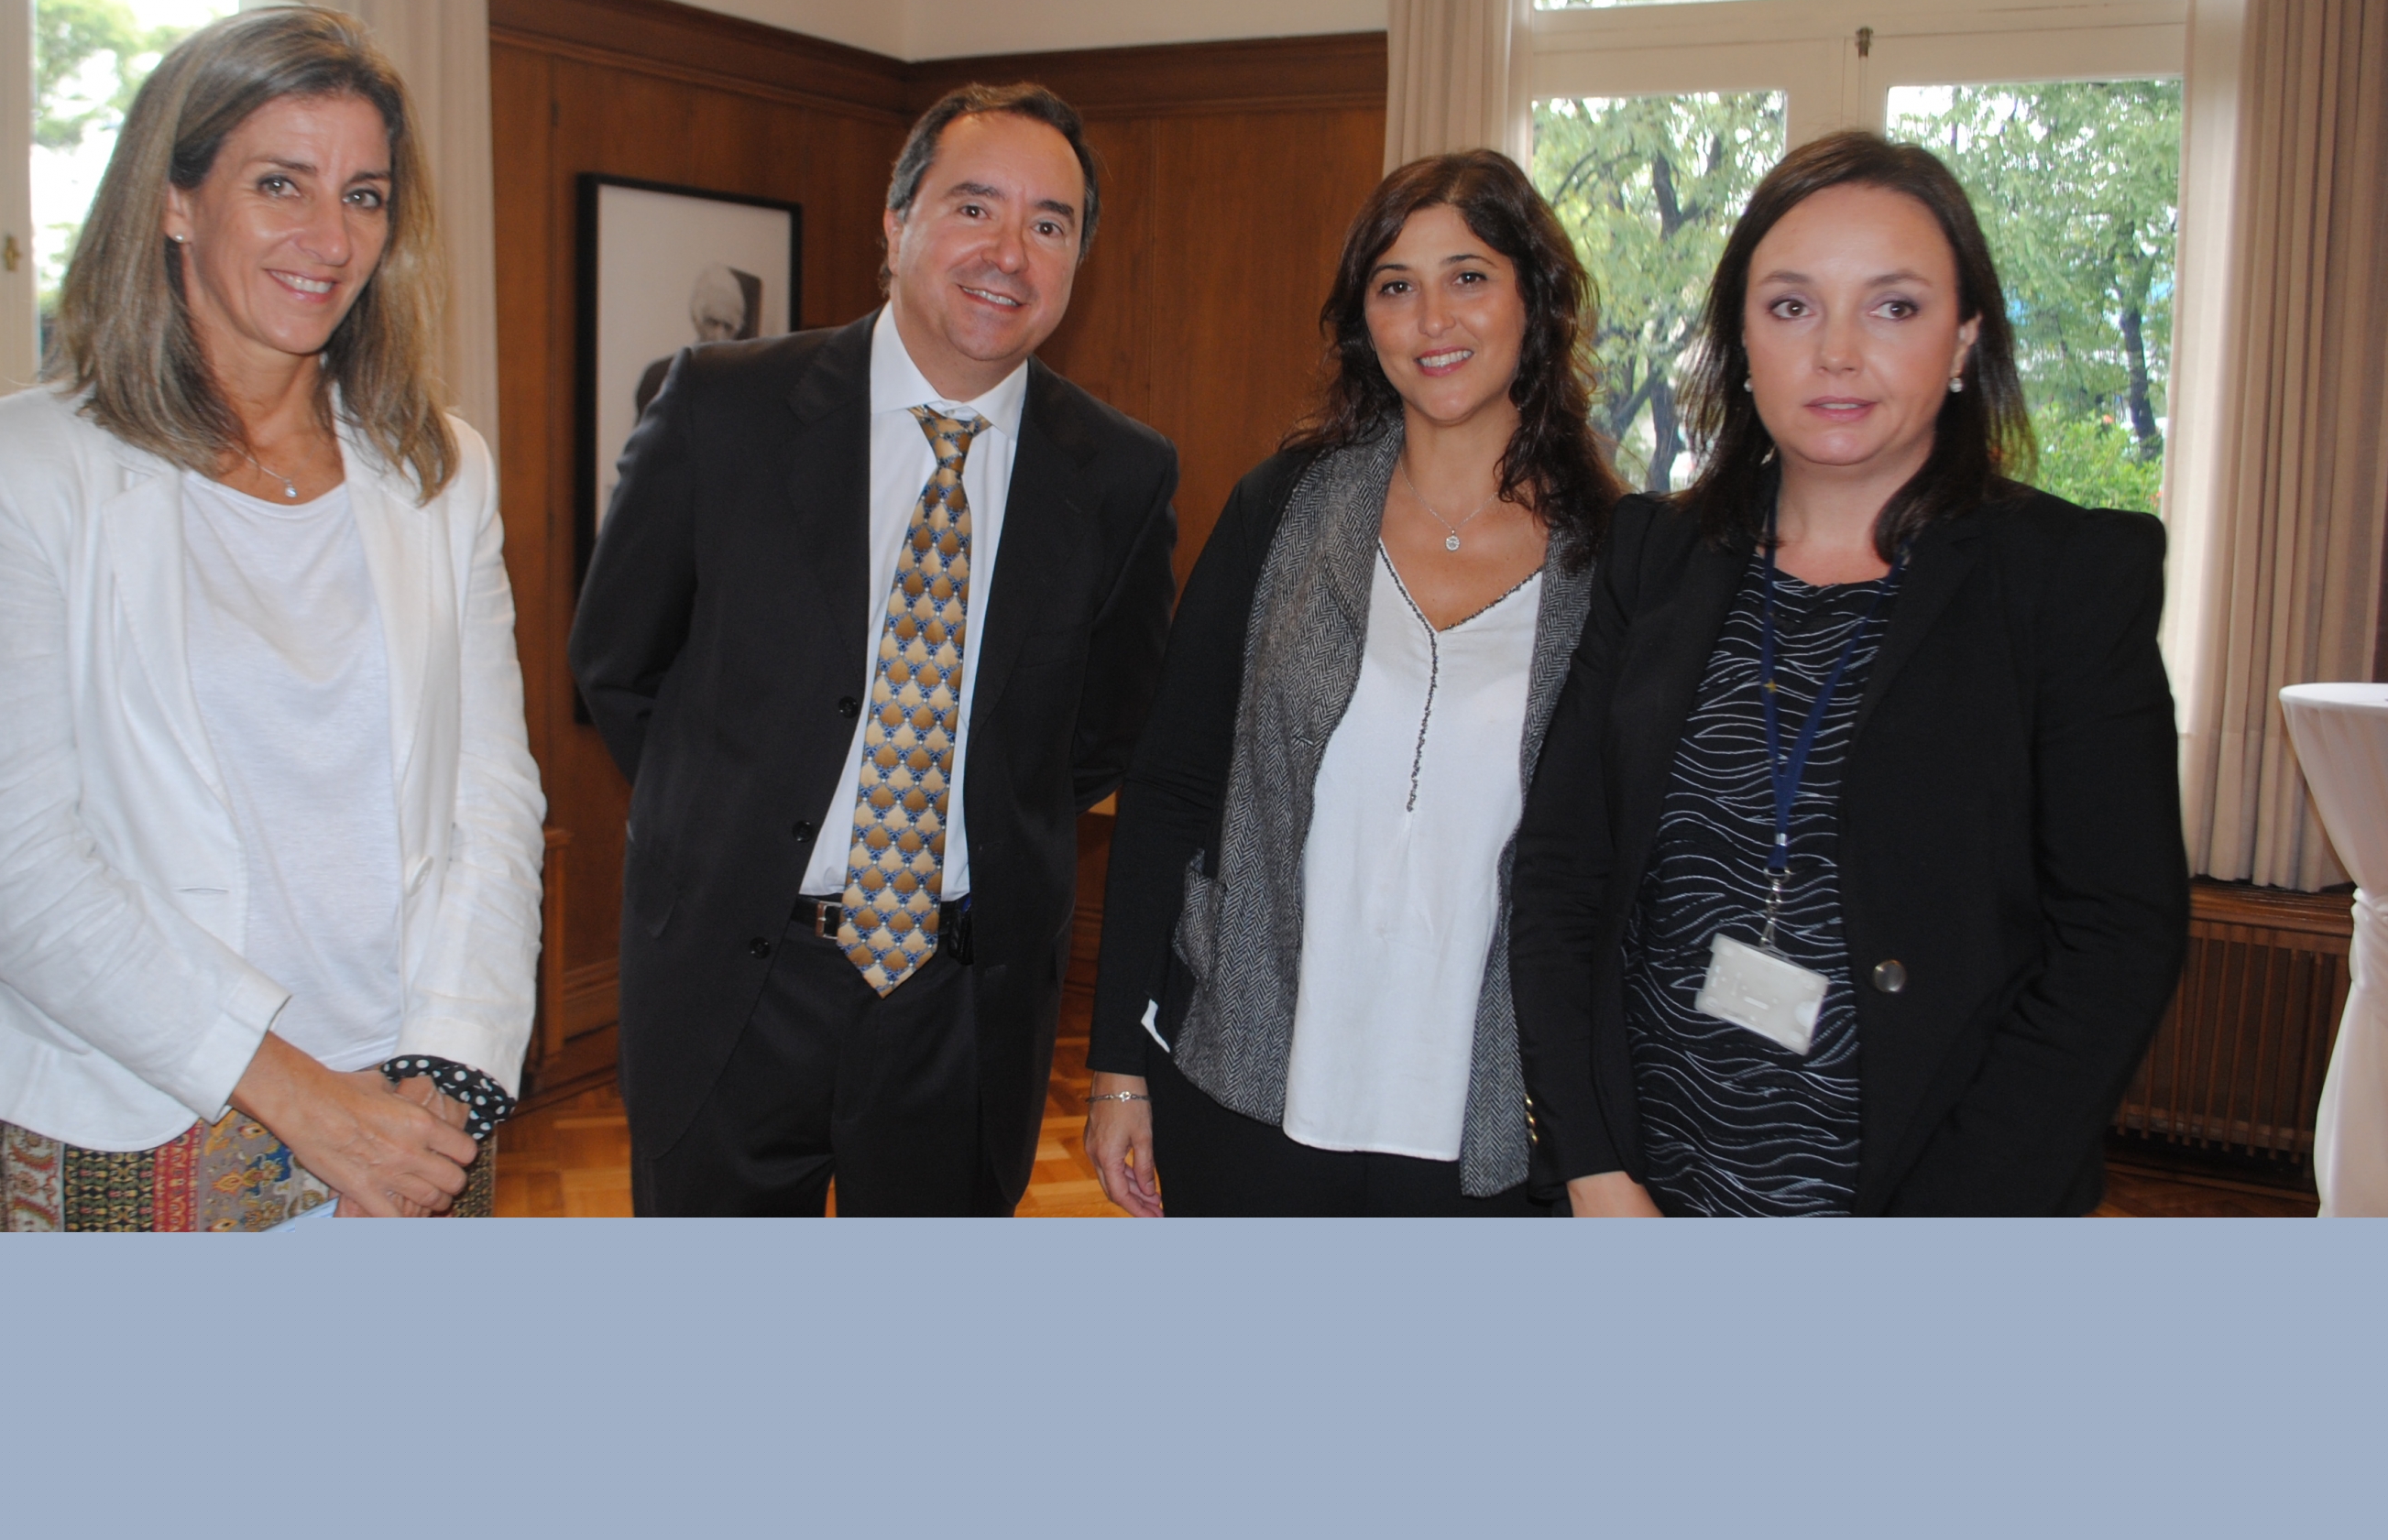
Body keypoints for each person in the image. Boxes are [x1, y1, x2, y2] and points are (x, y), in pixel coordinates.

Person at [0, 7, 546, 1229]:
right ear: (175, 199)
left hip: (414, 1098)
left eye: (365, 196)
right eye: (279, 184)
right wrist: (306, 1103)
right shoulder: (34, 468)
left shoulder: (438, 469)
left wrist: (454, 1068)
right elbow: (21, 865)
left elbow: (492, 802)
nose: (330, 237)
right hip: (147, 1102)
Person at [1508, 129, 2187, 1218]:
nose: (1836, 352)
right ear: (1739, 340)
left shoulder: (2066, 579)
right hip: (1642, 1189)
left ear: (1963, 340)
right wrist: (1594, 1166)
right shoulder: (1654, 553)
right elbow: (1559, 873)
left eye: (1894, 306)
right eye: (1791, 306)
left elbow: (2115, 941)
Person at [569, 82, 1178, 1216]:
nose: (1010, 250)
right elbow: (618, 662)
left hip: (963, 1005)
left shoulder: (1121, 476)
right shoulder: (721, 409)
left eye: (1051, 223)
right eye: (974, 207)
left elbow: (1100, 735)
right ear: (894, 225)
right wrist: (734, 821)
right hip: (733, 979)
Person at [1084, 151, 1620, 1216]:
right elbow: (1170, 785)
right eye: (1394, 284)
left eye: (1469, 275)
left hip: (1495, 1124)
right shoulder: (1279, 510)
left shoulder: (1617, 560)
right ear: (1362, 320)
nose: (1432, 317)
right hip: (1250, 1085)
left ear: (1536, 300)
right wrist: (1116, 1063)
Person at [634, 261, 761, 420]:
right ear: (696, 319)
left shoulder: (742, 389)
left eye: (728, 326)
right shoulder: (657, 378)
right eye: (712, 322)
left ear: (737, 330)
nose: (719, 336)